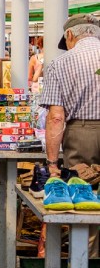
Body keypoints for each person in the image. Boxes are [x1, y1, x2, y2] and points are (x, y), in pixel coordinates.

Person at [40, 14, 100, 214]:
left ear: (70, 34)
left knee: (83, 195)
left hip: (81, 136)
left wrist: (52, 163)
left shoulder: (60, 64)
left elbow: (56, 118)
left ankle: (88, 245)